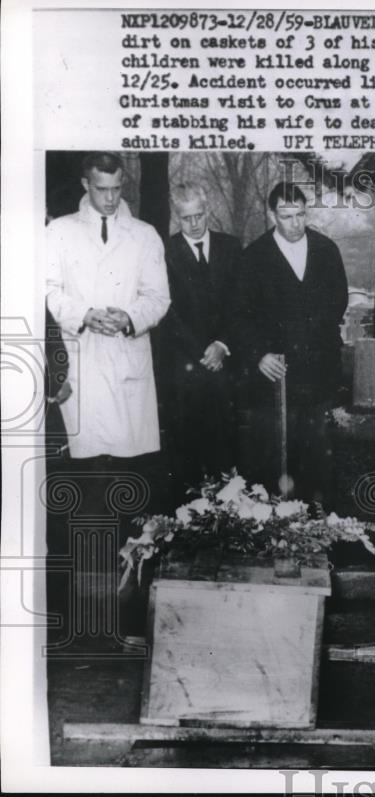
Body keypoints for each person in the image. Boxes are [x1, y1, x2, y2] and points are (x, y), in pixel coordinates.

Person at [45, 151, 171, 643]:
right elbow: (49, 291)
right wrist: (84, 313)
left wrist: (129, 317)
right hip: (79, 367)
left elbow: (158, 297)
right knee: (81, 493)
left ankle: (130, 615)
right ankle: (79, 618)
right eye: (102, 189)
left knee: (132, 494)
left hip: (127, 370)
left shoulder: (144, 235)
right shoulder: (58, 232)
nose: (111, 198)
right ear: (86, 184)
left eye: (118, 189)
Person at [232, 182, 348, 507]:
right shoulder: (253, 258)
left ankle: (318, 533)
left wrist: (314, 341)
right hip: (274, 383)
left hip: (317, 379)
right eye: (286, 216)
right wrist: (258, 355)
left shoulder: (326, 251)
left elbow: (337, 302)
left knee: (316, 465)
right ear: (272, 215)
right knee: (273, 464)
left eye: (300, 214)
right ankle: (271, 534)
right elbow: (239, 316)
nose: (295, 223)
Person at [157, 182, 243, 502]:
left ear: (208, 210)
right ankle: (187, 520)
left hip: (226, 361)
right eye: (185, 218)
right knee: (186, 450)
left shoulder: (231, 247)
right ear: (176, 217)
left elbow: (240, 304)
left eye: (199, 214)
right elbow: (169, 311)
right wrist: (202, 352)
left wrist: (222, 344)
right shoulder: (165, 252)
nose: (194, 224)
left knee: (227, 446)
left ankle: (232, 516)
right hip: (185, 366)